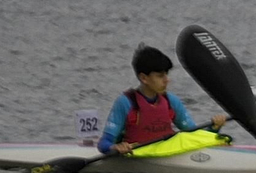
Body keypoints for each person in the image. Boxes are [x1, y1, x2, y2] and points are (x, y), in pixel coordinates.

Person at [97, 44, 227, 155]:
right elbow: (103, 144)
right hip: (138, 157)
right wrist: (115, 147)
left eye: (166, 74)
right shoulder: (126, 103)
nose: (167, 80)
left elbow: (193, 134)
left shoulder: (171, 101)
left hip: (167, 153)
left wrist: (214, 128)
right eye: (160, 76)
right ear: (144, 78)